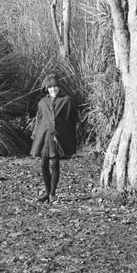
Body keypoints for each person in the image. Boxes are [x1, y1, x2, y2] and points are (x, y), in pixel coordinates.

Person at [30, 74, 78, 204]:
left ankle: (52, 193)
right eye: (50, 87)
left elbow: (73, 119)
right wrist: (35, 134)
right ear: (46, 88)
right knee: (43, 165)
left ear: (59, 87)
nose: (53, 89)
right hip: (44, 136)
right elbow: (38, 120)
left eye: (55, 87)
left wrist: (66, 134)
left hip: (58, 137)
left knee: (55, 164)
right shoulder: (42, 103)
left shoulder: (66, 100)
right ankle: (47, 191)